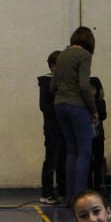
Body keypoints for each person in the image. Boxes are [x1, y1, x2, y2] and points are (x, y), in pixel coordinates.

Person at [52, 26, 99, 203]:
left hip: (59, 105)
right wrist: (93, 110)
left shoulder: (62, 55)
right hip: (77, 106)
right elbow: (84, 85)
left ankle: (69, 196)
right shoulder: (84, 55)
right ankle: (80, 198)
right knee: (84, 152)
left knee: (71, 151)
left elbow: (53, 84)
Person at [38, 49, 65, 204]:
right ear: (53, 66)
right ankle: (47, 191)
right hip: (52, 127)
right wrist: (60, 109)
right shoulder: (46, 82)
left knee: (62, 159)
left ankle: (61, 189)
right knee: (51, 159)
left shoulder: (64, 82)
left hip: (63, 126)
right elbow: (44, 106)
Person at [89, 76, 108, 193]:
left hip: (98, 135)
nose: (91, 92)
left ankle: (98, 186)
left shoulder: (100, 101)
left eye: (93, 89)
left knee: (98, 160)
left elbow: (103, 115)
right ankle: (88, 186)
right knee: (88, 161)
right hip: (88, 136)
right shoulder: (84, 103)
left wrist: (100, 100)